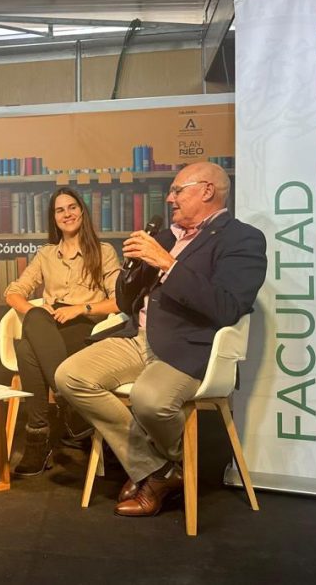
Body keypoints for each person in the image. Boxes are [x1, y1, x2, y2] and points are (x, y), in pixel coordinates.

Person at [55, 162, 266, 517]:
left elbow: (227, 307)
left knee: (149, 399)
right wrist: (131, 269)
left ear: (207, 191)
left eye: (177, 191)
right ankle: (161, 470)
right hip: (138, 337)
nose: (170, 198)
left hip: (190, 345)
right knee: (70, 376)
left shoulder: (242, 239)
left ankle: (154, 474)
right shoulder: (166, 236)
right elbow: (125, 302)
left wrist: (168, 264)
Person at [4, 187, 121, 476]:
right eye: (60, 210)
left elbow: (120, 300)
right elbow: (14, 291)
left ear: (82, 211)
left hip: (86, 326)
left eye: (72, 207)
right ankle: (69, 402)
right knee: (35, 320)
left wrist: (81, 308)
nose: (67, 214)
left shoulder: (103, 251)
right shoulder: (45, 255)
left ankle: (38, 438)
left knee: (26, 348)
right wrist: (32, 310)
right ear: (53, 218)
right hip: (50, 322)